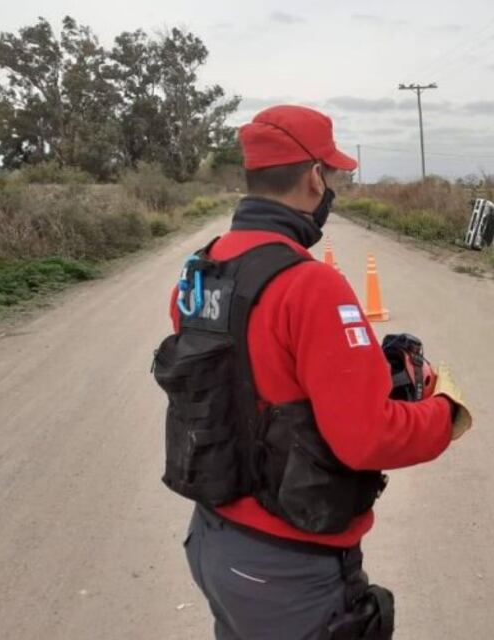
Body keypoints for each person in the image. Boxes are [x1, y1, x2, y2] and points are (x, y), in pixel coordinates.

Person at [153, 105, 472, 639]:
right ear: (313, 178)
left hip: (214, 543)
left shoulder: (201, 270)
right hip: (288, 569)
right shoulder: (309, 285)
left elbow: (251, 381)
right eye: (334, 177)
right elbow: (365, 437)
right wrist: (445, 412)